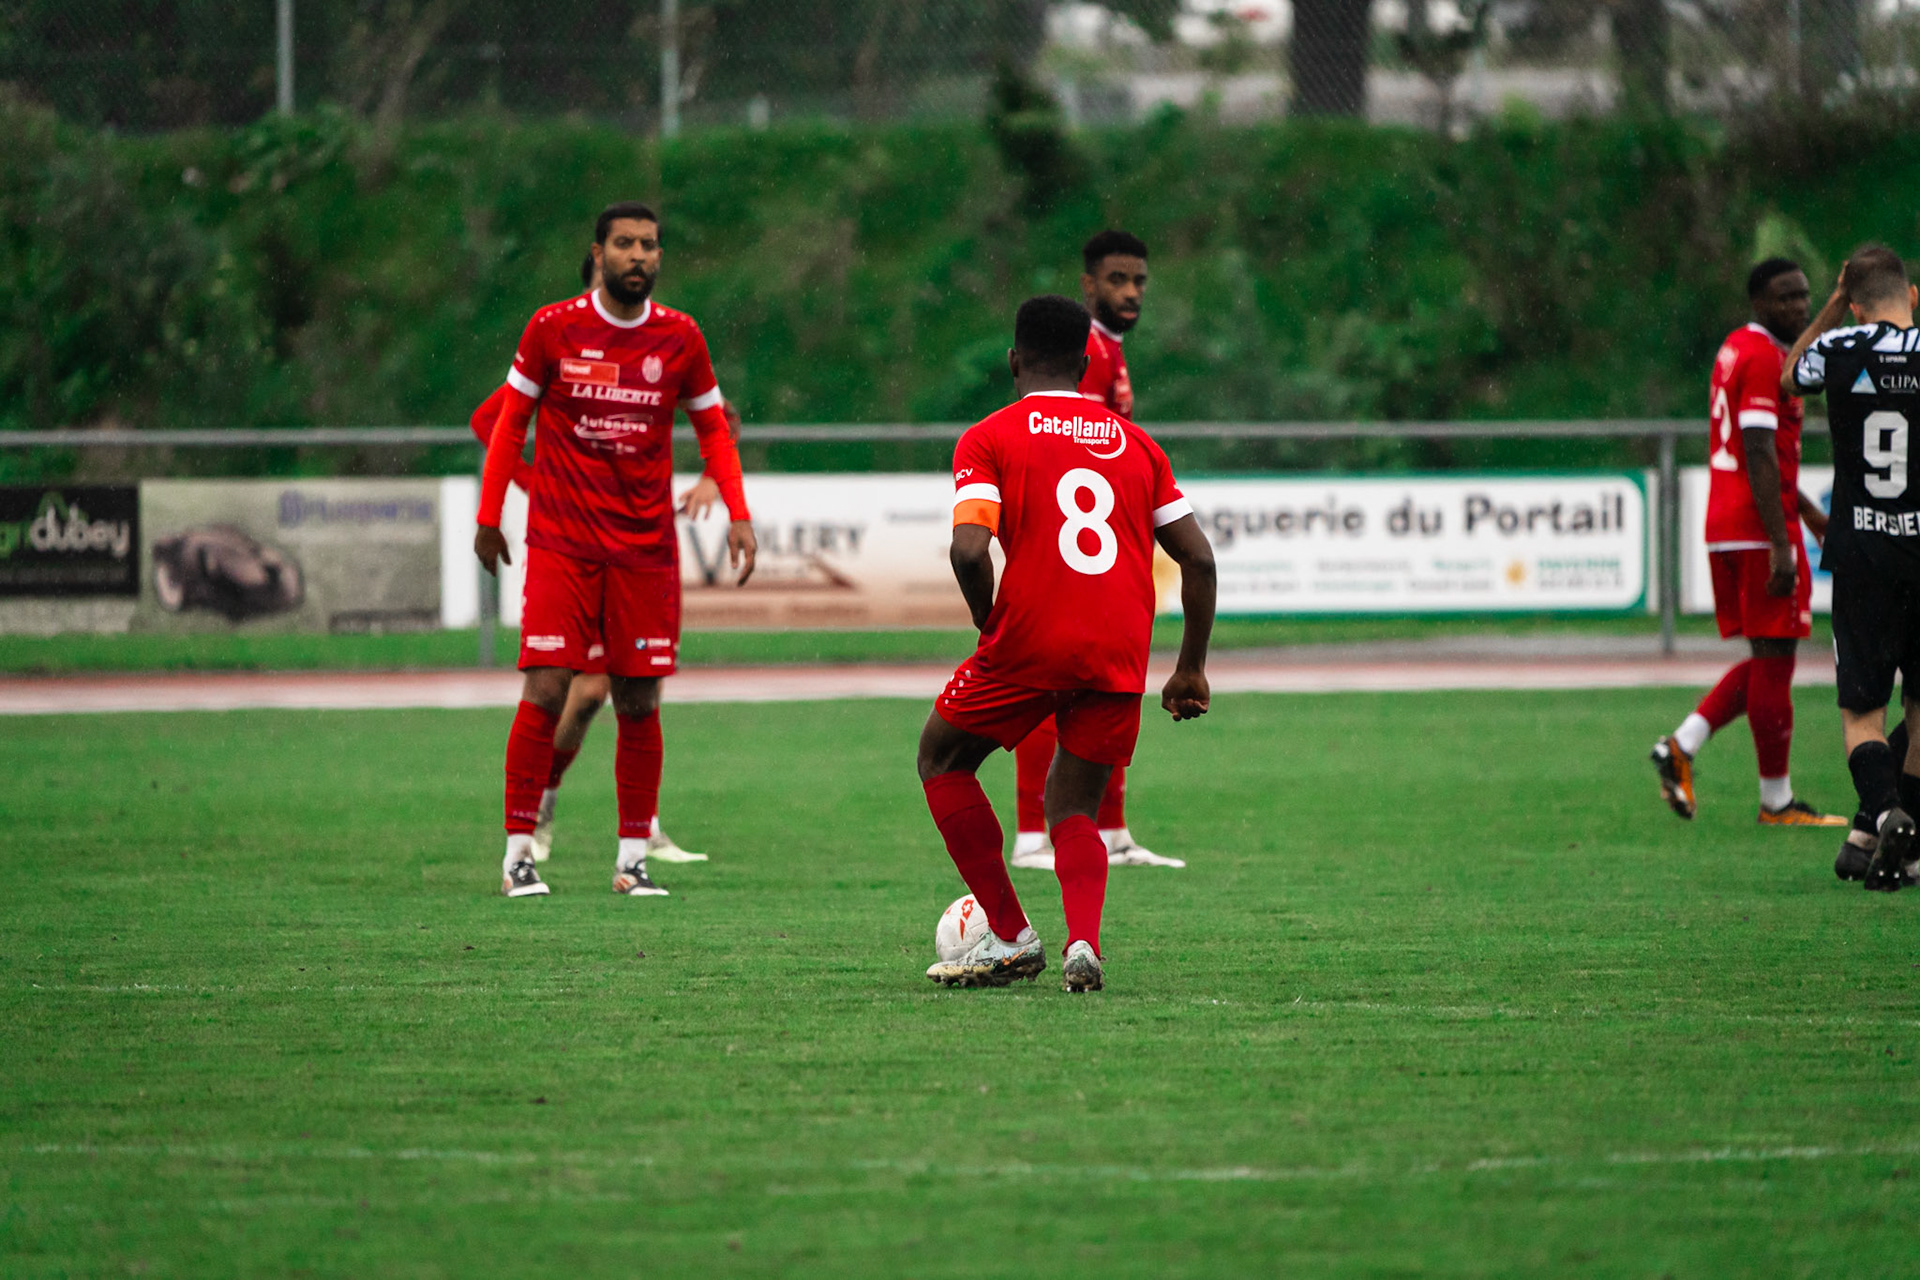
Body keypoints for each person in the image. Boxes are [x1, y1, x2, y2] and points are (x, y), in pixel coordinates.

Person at [917, 295, 1216, 992]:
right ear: (1086, 365)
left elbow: (968, 550)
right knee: (1075, 808)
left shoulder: (990, 436)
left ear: (1014, 360)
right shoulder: (1136, 443)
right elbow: (1199, 559)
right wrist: (1190, 670)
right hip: (1117, 648)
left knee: (942, 759)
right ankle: (1085, 943)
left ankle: (1013, 935)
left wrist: (988, 622)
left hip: (1028, 639)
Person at [476, 201, 756, 899]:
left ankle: (632, 861)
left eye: (650, 245)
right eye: (626, 244)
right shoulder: (553, 327)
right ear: (597, 253)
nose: (640, 255)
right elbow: (508, 422)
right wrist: (491, 515)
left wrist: (737, 511)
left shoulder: (680, 337)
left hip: (644, 548)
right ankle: (518, 855)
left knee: (638, 699)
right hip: (564, 541)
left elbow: (716, 428)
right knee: (547, 687)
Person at [1009, 230, 1185, 872]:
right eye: (1117, 280)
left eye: (1139, 281)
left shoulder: (1108, 351)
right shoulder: (1088, 355)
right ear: (1088, 285)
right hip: (1079, 550)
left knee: (1107, 688)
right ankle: (1034, 834)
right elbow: (1066, 449)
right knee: (1056, 687)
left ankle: (1111, 831)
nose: (1131, 292)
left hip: (1107, 546)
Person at [1650, 258, 1845, 827]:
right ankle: (1776, 802)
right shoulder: (1764, 359)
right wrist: (1783, 540)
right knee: (1776, 658)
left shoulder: (1737, 346)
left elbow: (1761, 454)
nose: (1798, 307)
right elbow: (1758, 451)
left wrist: (1807, 514)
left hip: (1731, 523)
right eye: (1786, 298)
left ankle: (1682, 746)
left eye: (1805, 296)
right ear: (1759, 303)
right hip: (1758, 528)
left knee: (1768, 657)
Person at [1782, 246, 1920, 891]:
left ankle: (1882, 815)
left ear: (1855, 303)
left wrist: (1833, 308)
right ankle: (1904, 842)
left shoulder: (1840, 347)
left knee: (1863, 711)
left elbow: (1790, 375)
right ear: (1912, 295)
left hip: (1863, 553)